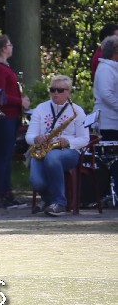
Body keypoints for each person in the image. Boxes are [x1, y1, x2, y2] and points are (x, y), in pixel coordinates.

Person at [26, 75, 90, 217]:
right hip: (43, 149)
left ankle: (59, 203)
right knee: (37, 183)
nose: (55, 93)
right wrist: (36, 138)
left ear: (68, 92)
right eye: (52, 89)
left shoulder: (77, 111)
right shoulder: (41, 108)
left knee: (52, 158)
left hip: (69, 151)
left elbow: (85, 139)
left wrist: (69, 142)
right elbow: (29, 136)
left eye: (60, 90)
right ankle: (49, 201)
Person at [0, 35, 31, 207]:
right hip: (4, 118)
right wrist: (20, 101)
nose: (12, 47)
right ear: (4, 49)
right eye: (10, 45)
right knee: (2, 157)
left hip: (11, 117)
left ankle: (6, 192)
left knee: (5, 156)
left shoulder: (4, 68)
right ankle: (1, 194)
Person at [92, 35, 118, 142]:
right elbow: (106, 94)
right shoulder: (105, 69)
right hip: (107, 123)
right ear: (115, 51)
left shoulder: (113, 68)